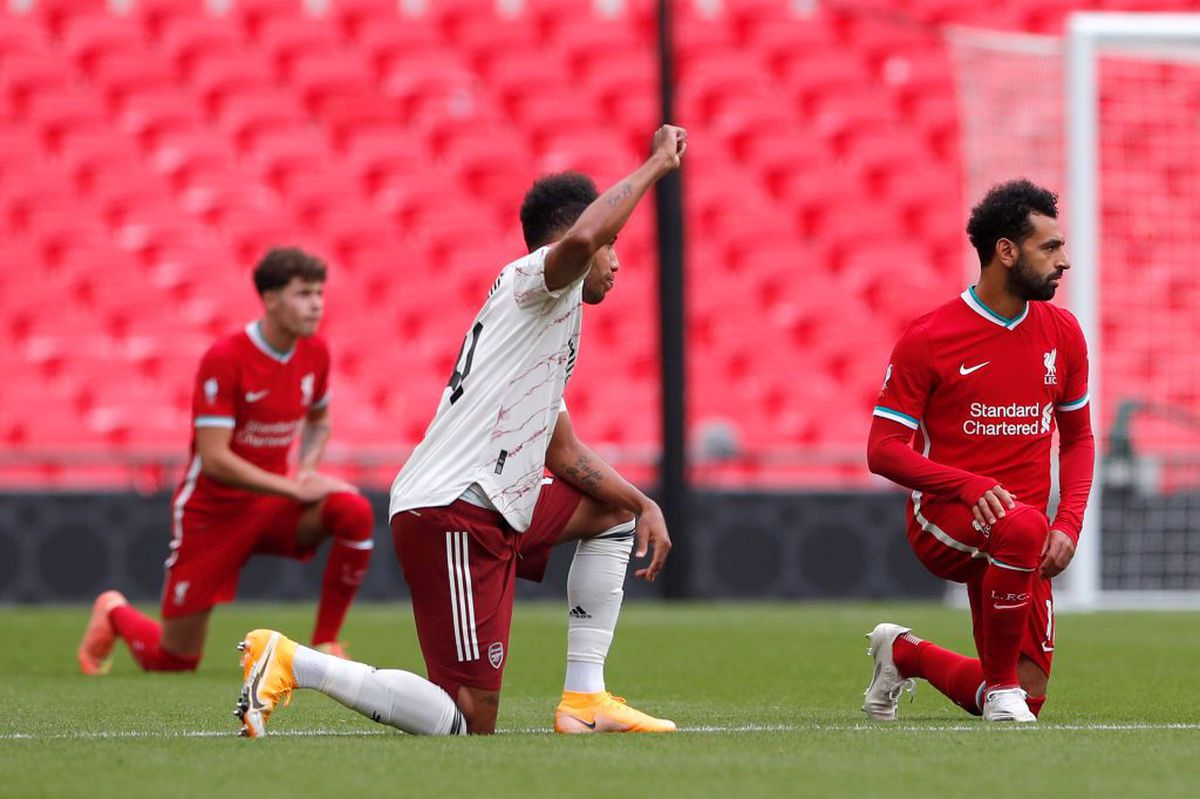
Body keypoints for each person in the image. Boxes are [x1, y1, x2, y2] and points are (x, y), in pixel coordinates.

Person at [233, 124, 687, 737]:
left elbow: (561, 450)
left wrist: (642, 502)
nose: (616, 260)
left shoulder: (546, 325)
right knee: (470, 718)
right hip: (456, 507)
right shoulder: (534, 281)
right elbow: (584, 236)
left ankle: (585, 699)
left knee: (614, 514)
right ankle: (292, 660)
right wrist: (657, 165)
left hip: (498, 501)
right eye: (614, 245)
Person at [77, 248, 375, 675]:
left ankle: (326, 642)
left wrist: (307, 469)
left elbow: (320, 420)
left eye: (319, 294)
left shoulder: (316, 351)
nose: (316, 305)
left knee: (354, 510)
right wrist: (295, 487)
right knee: (173, 662)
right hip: (212, 513)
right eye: (303, 294)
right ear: (270, 299)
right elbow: (215, 459)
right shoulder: (226, 357)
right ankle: (114, 611)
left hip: (272, 504)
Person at [863, 179, 1094, 722]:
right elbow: (883, 450)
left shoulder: (1063, 333)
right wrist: (970, 486)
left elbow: (1079, 438)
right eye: (1050, 247)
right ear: (1006, 252)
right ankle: (1001, 690)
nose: (1064, 261)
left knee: (1030, 698)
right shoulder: (930, 337)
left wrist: (1069, 522)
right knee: (1021, 526)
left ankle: (905, 654)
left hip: (1025, 532)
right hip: (946, 517)